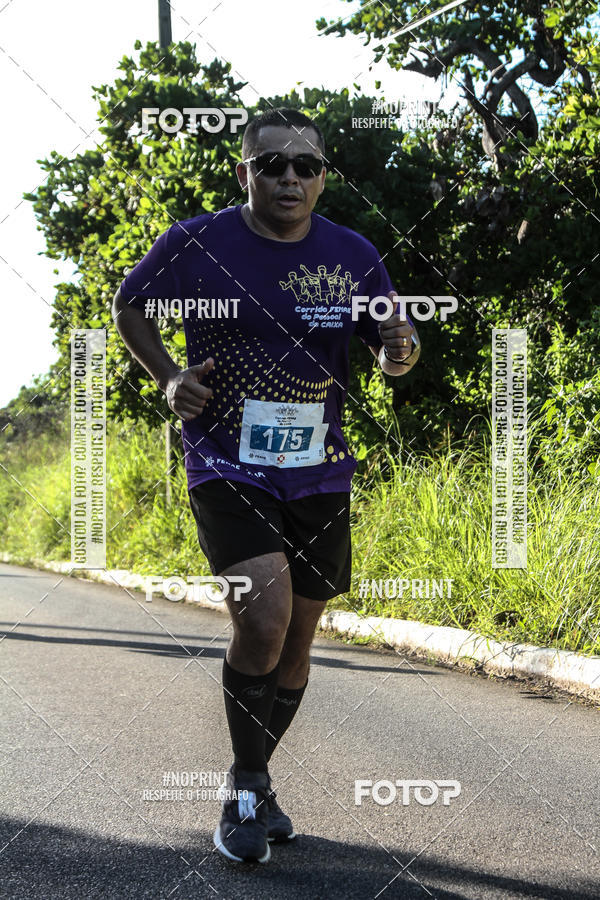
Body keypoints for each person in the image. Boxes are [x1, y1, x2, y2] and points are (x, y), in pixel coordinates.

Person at [112, 107, 420, 864]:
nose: (289, 176)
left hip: (318, 468)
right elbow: (130, 306)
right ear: (244, 172)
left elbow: (394, 350)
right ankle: (245, 792)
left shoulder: (352, 254)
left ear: (321, 177)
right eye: (273, 163)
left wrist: (399, 350)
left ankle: (258, 780)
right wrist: (169, 377)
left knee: (299, 640)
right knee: (263, 617)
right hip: (226, 460)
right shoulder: (196, 242)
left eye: (305, 166)